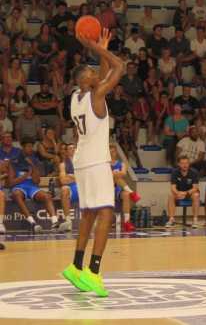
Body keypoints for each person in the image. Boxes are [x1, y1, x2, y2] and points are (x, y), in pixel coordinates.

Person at [61, 28, 125, 297]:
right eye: (91, 72)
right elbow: (120, 66)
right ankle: (94, 272)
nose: (95, 74)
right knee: (107, 213)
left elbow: (102, 74)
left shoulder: (76, 98)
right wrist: (95, 48)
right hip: (97, 162)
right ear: (85, 80)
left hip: (82, 161)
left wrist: (101, 48)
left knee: (88, 213)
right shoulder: (96, 95)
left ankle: (76, 266)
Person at [10, 139, 60, 232]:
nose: (30, 149)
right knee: (17, 194)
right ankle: (32, 223)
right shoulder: (14, 161)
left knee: (47, 196)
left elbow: (37, 181)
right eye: (28, 147)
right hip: (19, 187)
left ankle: (55, 222)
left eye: (31, 147)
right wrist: (26, 175)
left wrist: (32, 165)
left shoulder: (34, 160)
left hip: (32, 187)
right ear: (23, 148)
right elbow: (11, 182)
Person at [166, 156, 201, 228]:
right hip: (179, 193)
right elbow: (173, 187)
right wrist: (178, 193)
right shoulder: (175, 172)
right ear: (179, 164)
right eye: (182, 163)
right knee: (170, 195)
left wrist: (186, 193)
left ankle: (195, 220)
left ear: (189, 164)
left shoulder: (194, 172)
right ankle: (171, 219)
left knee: (196, 195)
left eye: (187, 163)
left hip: (190, 193)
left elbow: (195, 187)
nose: (185, 165)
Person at [110, 144, 138, 232]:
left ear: (116, 152)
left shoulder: (122, 163)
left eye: (113, 151)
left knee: (126, 195)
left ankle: (127, 222)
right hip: (107, 187)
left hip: (118, 187)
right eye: (110, 151)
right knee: (116, 175)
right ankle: (132, 193)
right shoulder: (104, 164)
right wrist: (115, 173)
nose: (111, 153)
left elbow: (124, 173)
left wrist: (114, 173)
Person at [58, 143, 79, 232]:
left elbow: (87, 178)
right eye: (70, 148)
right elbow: (63, 181)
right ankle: (68, 222)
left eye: (74, 148)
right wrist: (77, 178)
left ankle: (95, 221)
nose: (73, 149)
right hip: (72, 189)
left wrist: (71, 176)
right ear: (66, 152)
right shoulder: (63, 165)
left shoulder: (83, 163)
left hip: (83, 188)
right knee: (64, 189)